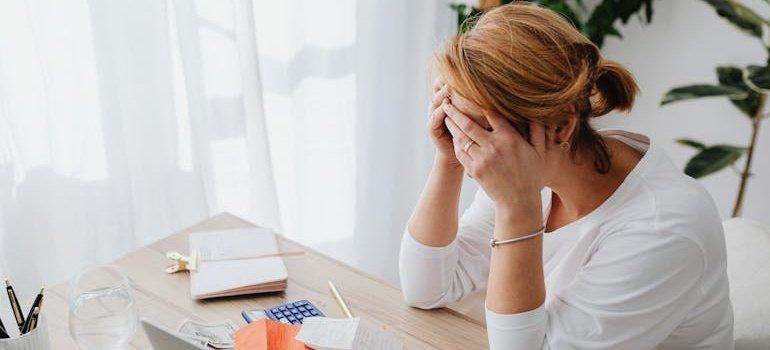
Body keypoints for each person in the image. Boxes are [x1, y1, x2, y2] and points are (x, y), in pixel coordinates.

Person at [398, 3, 734, 349]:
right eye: (455, 125)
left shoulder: (663, 228)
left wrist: (518, 209)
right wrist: (448, 160)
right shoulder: (534, 163)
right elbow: (426, 288)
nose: (471, 150)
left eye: (476, 132)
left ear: (560, 127)